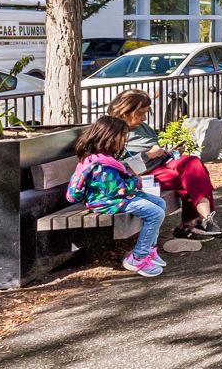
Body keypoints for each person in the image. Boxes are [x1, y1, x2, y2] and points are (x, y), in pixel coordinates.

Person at [106, 91, 221, 237]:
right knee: (190, 178)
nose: (144, 117)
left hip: (160, 165)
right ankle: (192, 224)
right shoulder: (112, 131)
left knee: (193, 163)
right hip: (140, 176)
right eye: (141, 113)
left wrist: (168, 152)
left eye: (146, 112)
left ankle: (206, 220)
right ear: (126, 111)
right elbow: (113, 167)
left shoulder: (141, 126)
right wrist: (147, 155)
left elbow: (154, 147)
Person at [66, 116, 169, 277]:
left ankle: (149, 249)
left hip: (113, 198)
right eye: (122, 137)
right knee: (155, 213)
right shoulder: (101, 164)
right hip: (105, 202)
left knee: (160, 203)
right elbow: (115, 191)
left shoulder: (104, 158)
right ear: (110, 137)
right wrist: (136, 183)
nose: (124, 141)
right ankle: (138, 257)